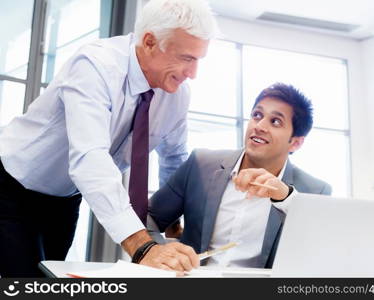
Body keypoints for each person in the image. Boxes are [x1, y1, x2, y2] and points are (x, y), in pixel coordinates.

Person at [0, 0, 217, 277]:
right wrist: (143, 247)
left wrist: (174, 224)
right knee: (24, 282)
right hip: (13, 186)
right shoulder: (95, 65)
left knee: (50, 280)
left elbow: (174, 158)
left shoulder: (176, 94)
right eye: (187, 58)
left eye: (198, 60)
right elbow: (90, 158)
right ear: (150, 42)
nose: (193, 74)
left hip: (65, 199)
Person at [148, 82, 332, 268]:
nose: (259, 126)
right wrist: (159, 252)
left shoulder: (314, 192)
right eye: (257, 115)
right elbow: (149, 218)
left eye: (275, 121)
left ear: (295, 143)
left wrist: (286, 199)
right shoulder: (201, 165)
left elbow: (320, 254)